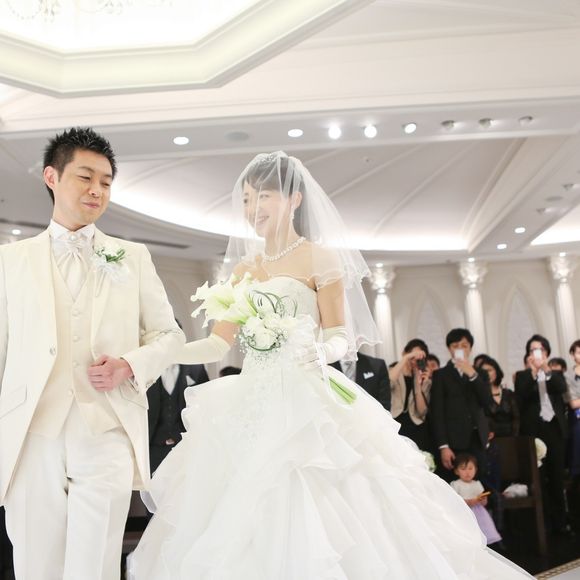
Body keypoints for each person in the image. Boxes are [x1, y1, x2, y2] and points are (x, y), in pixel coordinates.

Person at [128, 152, 532, 579]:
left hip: (306, 396)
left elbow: (340, 333)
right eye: (246, 199)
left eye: (263, 196)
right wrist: (162, 351)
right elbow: (216, 344)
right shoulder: (245, 268)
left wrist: (322, 351)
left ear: (294, 199)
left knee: (332, 493)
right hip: (252, 401)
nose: (253, 208)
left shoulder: (319, 258)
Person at [0, 127, 185, 580]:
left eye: (105, 182)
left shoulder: (132, 256)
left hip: (106, 430)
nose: (96, 190)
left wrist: (129, 365)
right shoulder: (9, 261)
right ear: (51, 177)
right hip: (30, 433)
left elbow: (170, 335)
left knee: (95, 565)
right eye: (85, 177)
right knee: (35, 563)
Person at [515, 334, 569, 534]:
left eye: (540, 350)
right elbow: (521, 395)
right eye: (532, 350)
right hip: (534, 432)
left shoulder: (555, 373)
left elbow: (561, 388)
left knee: (557, 478)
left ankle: (561, 523)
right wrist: (532, 371)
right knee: (539, 479)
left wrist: (545, 368)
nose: (536, 353)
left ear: (546, 353)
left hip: (554, 429)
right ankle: (543, 525)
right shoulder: (523, 376)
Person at [430, 328, 493, 482]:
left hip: (477, 438)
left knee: (479, 484)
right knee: (455, 486)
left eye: (464, 345)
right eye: (455, 346)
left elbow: (487, 403)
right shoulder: (440, 375)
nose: (460, 349)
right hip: (453, 441)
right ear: (449, 349)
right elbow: (437, 412)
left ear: (470, 348)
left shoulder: (480, 374)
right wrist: (443, 446)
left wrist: (472, 375)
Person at [147, 320, 209, 474]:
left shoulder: (195, 369)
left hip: (185, 446)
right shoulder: (146, 369)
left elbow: (205, 404)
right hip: (152, 447)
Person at [388, 338, 432, 450]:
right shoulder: (393, 371)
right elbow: (388, 383)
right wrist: (406, 358)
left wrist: (418, 382)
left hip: (415, 426)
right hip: (394, 422)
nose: (414, 360)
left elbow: (421, 411)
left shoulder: (423, 379)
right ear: (404, 353)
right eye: (412, 356)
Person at [451, 454, 502, 547]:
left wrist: (483, 500)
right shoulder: (456, 484)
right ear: (456, 471)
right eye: (463, 469)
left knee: (483, 528)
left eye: (470, 468)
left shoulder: (477, 484)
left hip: (479, 512)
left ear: (475, 470)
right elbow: (454, 501)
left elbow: (484, 502)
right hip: (464, 512)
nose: (467, 472)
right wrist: (469, 502)